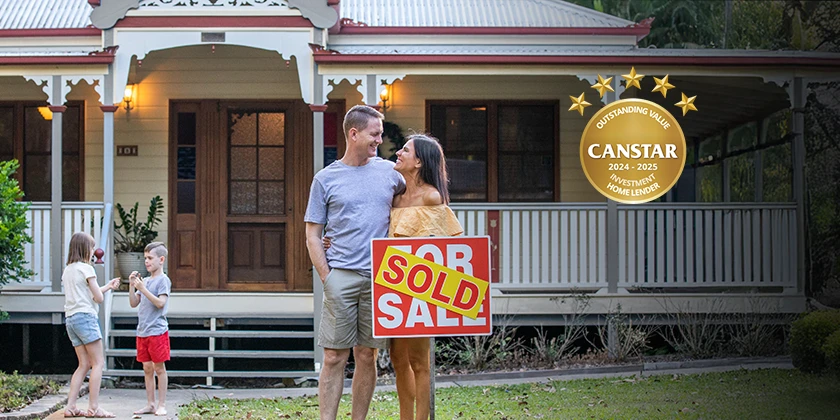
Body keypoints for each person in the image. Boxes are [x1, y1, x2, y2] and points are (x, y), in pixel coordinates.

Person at [304, 104, 406, 420]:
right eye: (375, 134)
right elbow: (312, 233)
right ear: (354, 133)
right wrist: (328, 277)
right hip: (341, 276)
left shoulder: (392, 173)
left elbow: (415, 207)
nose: (379, 140)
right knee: (334, 356)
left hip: (381, 277)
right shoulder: (325, 179)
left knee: (367, 355)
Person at [384, 134, 463, 420]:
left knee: (419, 360)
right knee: (397, 359)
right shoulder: (396, 197)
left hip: (419, 288)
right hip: (392, 288)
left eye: (405, 150)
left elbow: (441, 245)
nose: (398, 153)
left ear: (418, 162)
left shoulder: (432, 197)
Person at [61, 232, 120, 418]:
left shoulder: (68, 269)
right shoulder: (87, 269)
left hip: (71, 319)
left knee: (83, 364)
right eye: (92, 247)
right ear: (85, 249)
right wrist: (103, 290)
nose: (94, 251)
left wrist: (108, 286)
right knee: (98, 363)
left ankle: (70, 406)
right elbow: (98, 298)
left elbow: (89, 295)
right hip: (86, 318)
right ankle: (94, 407)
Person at [128, 242, 172, 417]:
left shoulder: (163, 280)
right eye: (145, 258)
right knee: (147, 368)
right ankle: (150, 403)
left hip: (157, 331)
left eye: (150, 258)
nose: (146, 261)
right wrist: (132, 286)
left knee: (159, 368)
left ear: (161, 260)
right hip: (142, 331)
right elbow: (133, 303)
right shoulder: (144, 281)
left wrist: (143, 289)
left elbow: (161, 303)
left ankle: (162, 404)